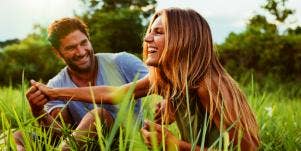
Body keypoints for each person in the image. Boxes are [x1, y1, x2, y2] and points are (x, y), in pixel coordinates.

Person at [32, 8, 259, 150]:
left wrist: (174, 145)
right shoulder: (169, 80)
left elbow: (250, 148)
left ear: (184, 39)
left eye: (158, 32)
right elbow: (115, 94)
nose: (147, 37)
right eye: (150, 30)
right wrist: (54, 93)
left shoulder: (208, 85)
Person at [13, 17, 148, 150]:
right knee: (17, 136)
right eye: (71, 48)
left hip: (125, 142)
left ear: (89, 39)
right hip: (83, 146)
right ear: (57, 52)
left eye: (83, 43)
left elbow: (159, 81)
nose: (81, 52)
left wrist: (168, 104)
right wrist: (37, 111)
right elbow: (60, 135)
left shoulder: (122, 62)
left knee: (98, 116)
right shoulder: (55, 84)